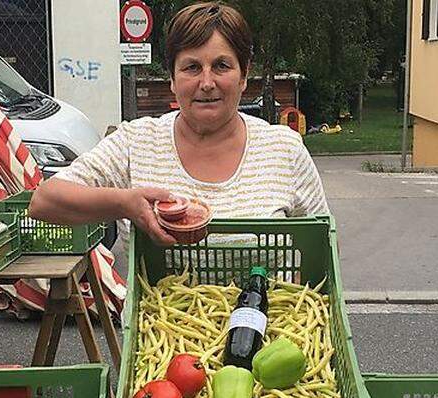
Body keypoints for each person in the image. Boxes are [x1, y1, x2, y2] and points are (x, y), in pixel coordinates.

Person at [28, 1, 329, 246]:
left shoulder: (283, 149)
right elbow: (44, 201)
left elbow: (323, 244)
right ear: (172, 78)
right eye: (192, 67)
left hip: (260, 316)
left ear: (244, 75)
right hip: (157, 319)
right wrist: (124, 203)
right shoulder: (137, 142)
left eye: (222, 66)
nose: (207, 82)